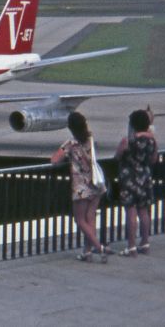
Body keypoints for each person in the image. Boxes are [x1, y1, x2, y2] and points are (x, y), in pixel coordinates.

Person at [51, 112, 110, 262]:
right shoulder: (90, 139)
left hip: (81, 186)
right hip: (96, 183)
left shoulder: (70, 144)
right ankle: (87, 251)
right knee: (90, 217)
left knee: (79, 220)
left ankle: (99, 248)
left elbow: (55, 160)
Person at [115, 109, 158, 257]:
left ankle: (131, 246)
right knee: (144, 211)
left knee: (131, 211)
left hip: (129, 178)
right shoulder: (151, 140)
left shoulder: (128, 141)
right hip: (145, 177)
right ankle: (145, 243)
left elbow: (118, 155)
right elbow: (153, 159)